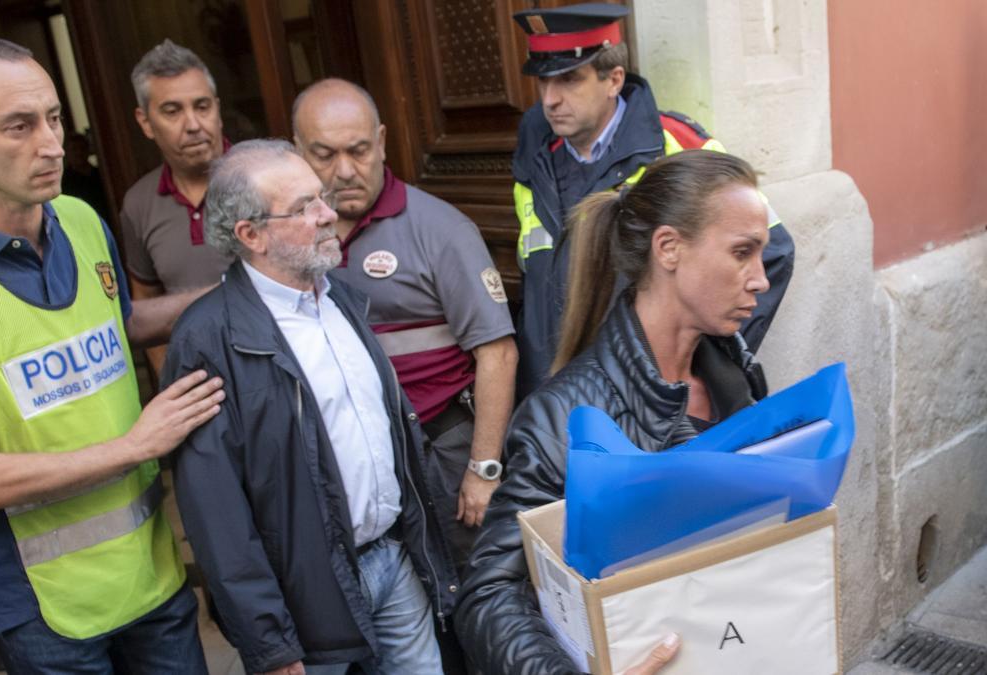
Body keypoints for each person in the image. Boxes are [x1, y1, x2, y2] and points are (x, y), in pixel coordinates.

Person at [0, 37, 225, 672]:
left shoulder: (79, 218)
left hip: (149, 568)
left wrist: (236, 290)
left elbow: (119, 325)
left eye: (55, 117)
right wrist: (138, 445)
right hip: (43, 605)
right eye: (19, 125)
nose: (54, 143)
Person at [455, 150, 771, 674]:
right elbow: (488, 596)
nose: (760, 278)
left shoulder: (734, 372)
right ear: (668, 248)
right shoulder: (564, 415)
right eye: (743, 252)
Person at [164, 139, 457, 674]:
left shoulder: (343, 297)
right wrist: (270, 645)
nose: (329, 214)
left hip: (394, 565)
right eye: (304, 208)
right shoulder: (207, 340)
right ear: (250, 235)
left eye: (321, 198)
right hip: (309, 604)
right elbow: (217, 515)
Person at [509, 3, 794, 399]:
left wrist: (700, 364)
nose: (550, 99)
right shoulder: (531, 162)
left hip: (648, 403)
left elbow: (774, 253)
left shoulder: (677, 145)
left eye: (569, 80)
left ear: (613, 79)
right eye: (543, 83)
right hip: (558, 392)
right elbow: (539, 286)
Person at [292, 78, 518, 572]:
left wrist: (483, 468)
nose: (345, 171)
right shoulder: (292, 238)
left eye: (358, 150)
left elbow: (498, 353)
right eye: (324, 155)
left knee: (473, 591)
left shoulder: (441, 230)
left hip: (443, 450)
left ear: (382, 142)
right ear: (296, 152)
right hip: (354, 460)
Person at [121, 39, 231, 377]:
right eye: (172, 111)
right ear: (145, 122)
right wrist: (172, 382)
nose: (194, 124)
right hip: (198, 389)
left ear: (217, 109)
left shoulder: (266, 180)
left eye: (202, 106)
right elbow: (145, 308)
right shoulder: (138, 204)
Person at [60, 132, 109, 217]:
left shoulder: (101, 174)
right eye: (74, 149)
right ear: (66, 153)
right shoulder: (63, 181)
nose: (79, 152)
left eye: (82, 148)